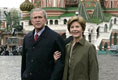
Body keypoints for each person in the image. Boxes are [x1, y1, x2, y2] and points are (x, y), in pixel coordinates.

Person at [21, 8, 65, 80]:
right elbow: (24, 62)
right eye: (35, 18)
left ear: (45, 20)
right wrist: (23, 76)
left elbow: (60, 64)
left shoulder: (55, 37)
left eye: (40, 17)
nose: (37, 20)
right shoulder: (27, 38)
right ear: (31, 21)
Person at [54, 16, 99, 80]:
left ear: (82, 29)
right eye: (72, 27)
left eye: (77, 27)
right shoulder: (67, 47)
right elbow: (64, 68)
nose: (74, 29)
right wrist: (56, 60)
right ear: (69, 30)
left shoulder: (89, 47)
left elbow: (93, 71)